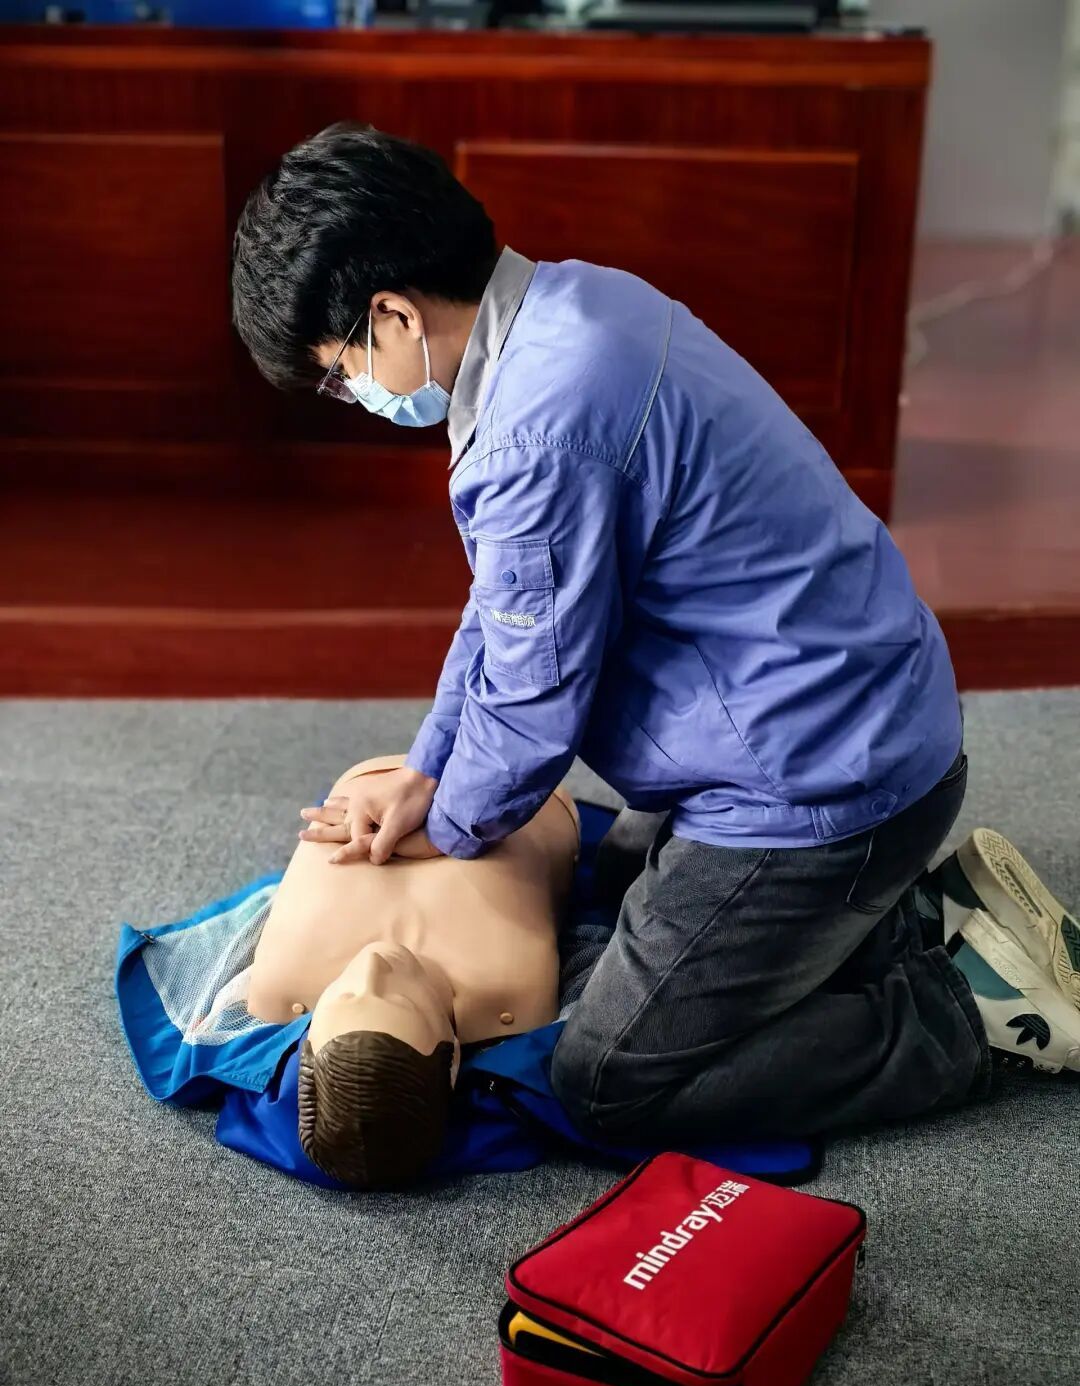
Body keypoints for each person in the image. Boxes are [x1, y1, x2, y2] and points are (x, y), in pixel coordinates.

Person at [230, 122, 1080, 1152]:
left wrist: (444, 829)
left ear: (395, 315)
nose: (355, 396)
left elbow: (533, 704)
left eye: (341, 374)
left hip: (821, 785)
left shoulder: (537, 429)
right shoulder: (577, 304)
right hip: (859, 718)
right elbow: (505, 608)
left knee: (605, 1080)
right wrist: (427, 768)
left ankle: (964, 1017)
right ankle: (909, 922)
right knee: (605, 898)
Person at [247, 753, 581, 1186]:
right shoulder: (514, 988)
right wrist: (447, 823)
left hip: (369, 784)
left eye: (344, 996)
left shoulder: (277, 985)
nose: (372, 966)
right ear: (453, 1057)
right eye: (400, 1001)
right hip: (519, 785)